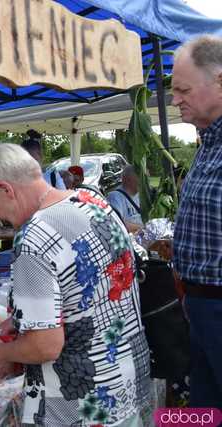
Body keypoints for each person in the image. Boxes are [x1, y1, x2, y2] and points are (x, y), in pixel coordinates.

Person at [0, 143, 150, 426]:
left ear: (7, 189)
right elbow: (91, 289)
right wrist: (22, 319)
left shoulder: (33, 238)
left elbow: (45, 346)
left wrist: (2, 352)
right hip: (125, 384)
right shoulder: (94, 202)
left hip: (79, 408)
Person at [171, 34, 222, 408]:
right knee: (205, 409)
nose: (175, 100)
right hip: (202, 306)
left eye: (183, 89)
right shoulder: (208, 142)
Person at [106, 166, 143, 233]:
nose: (143, 182)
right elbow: (116, 223)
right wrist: (144, 228)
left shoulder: (141, 196)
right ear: (128, 180)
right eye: (140, 178)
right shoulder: (115, 197)